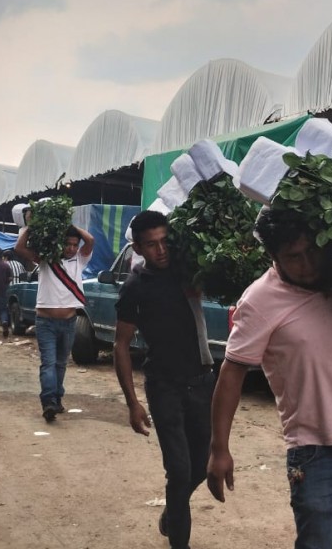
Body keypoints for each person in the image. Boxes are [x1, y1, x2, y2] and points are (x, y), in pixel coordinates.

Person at [207, 208, 332, 549]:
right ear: (272, 256)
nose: (307, 264)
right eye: (293, 257)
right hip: (316, 454)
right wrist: (218, 448)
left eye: (312, 251)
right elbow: (231, 373)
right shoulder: (259, 301)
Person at [112, 210, 215, 549]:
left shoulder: (188, 270)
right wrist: (132, 403)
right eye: (151, 245)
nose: (161, 250)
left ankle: (172, 512)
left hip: (201, 382)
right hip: (163, 386)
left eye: (165, 241)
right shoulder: (134, 287)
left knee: (203, 464)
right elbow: (121, 345)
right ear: (138, 249)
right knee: (180, 471)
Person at [14, 219, 94, 423]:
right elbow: (20, 247)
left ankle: (57, 399)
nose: (72, 248)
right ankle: (48, 401)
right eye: (67, 243)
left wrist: (70, 226)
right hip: (45, 322)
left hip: (69, 322)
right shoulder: (45, 259)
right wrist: (32, 227)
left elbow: (90, 240)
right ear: (59, 243)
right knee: (48, 363)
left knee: (60, 364)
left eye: (75, 245)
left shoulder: (79, 260)